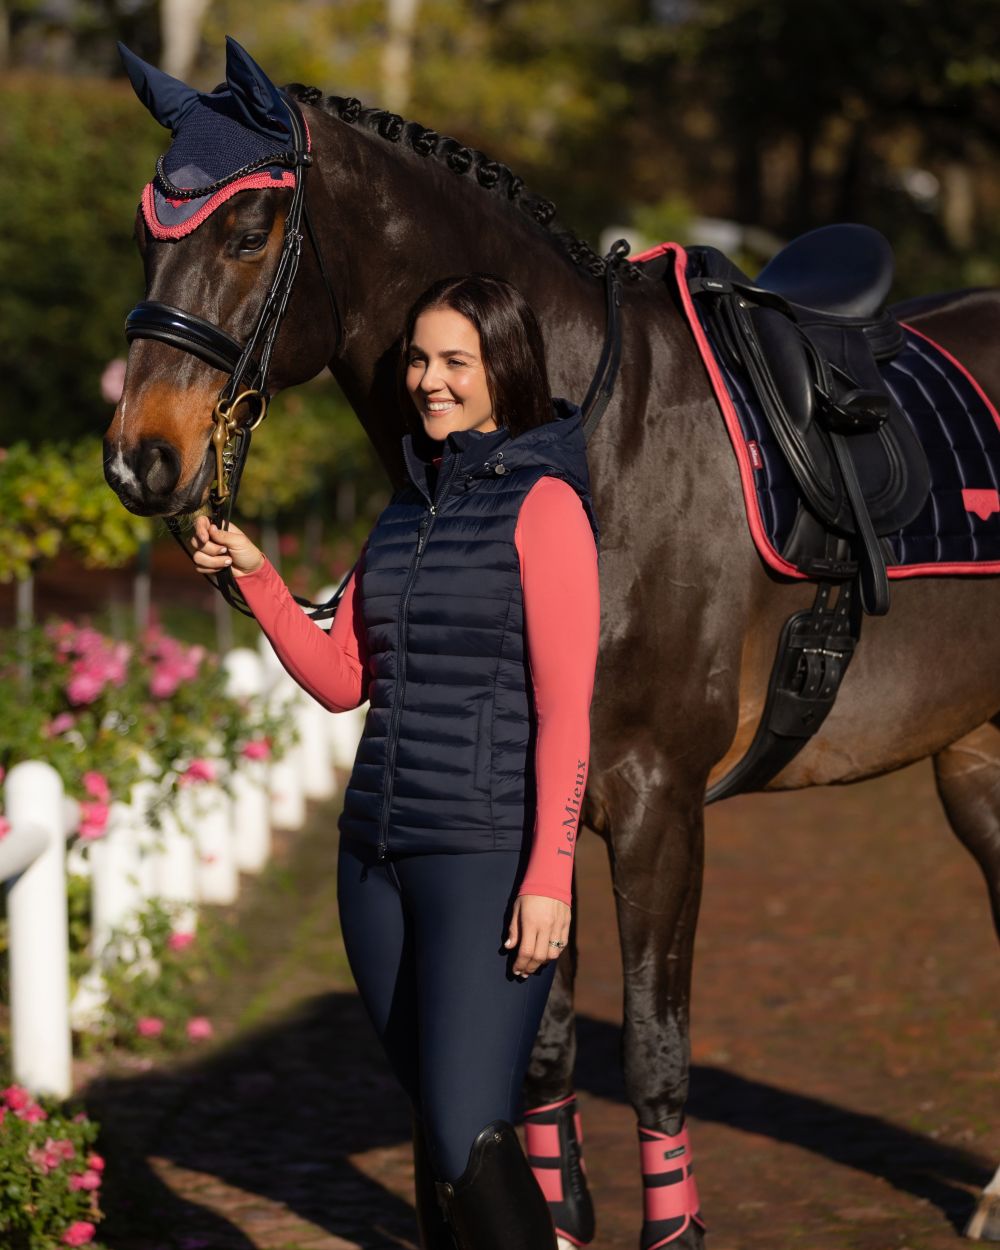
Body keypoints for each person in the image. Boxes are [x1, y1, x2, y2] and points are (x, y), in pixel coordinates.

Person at [190, 273, 600, 1250]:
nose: (429, 379)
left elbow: (565, 711)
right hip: (372, 856)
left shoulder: (547, 508)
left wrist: (550, 874)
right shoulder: (403, 508)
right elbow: (342, 678)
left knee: (464, 1126)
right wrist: (262, 581)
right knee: (444, 1114)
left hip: (483, 856)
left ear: (503, 367)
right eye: (419, 357)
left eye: (454, 359)